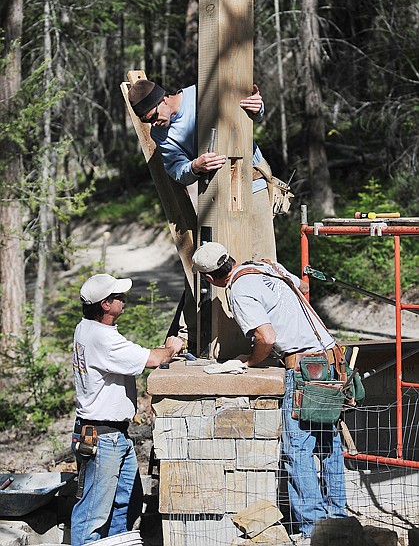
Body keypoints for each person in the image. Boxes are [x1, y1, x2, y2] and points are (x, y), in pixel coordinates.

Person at [191, 242, 348, 543]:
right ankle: (338, 518)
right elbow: (302, 285)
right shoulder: (266, 267)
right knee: (328, 444)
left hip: (305, 369)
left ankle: (314, 530)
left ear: (210, 279)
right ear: (230, 258)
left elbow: (266, 336)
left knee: (297, 451)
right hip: (330, 360)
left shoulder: (237, 290)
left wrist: (249, 361)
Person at [71, 273, 183, 546]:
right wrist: (171, 347)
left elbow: (134, 355)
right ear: (105, 305)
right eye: (118, 296)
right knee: (91, 515)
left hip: (112, 434)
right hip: (103, 436)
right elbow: (154, 358)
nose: (124, 299)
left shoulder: (88, 328)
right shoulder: (102, 338)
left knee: (127, 505)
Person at [127, 79, 276, 262]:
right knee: (228, 264)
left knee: (264, 260)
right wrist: (194, 167)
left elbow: (248, 110)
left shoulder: (202, 92)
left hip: (251, 182)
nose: (153, 123)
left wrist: (256, 107)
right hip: (214, 195)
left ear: (163, 99)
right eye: (146, 121)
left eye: (152, 116)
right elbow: (176, 168)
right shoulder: (159, 134)